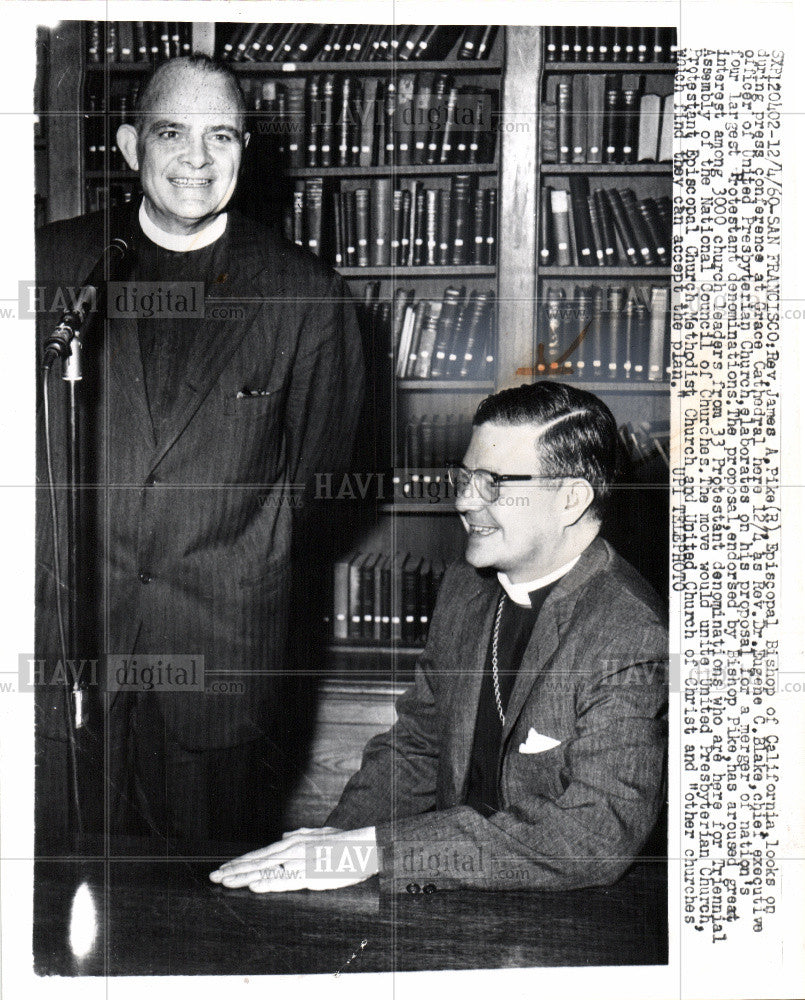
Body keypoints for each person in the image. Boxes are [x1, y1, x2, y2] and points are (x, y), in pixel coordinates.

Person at [35, 55, 364, 849]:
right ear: (128, 146)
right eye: (171, 133)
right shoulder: (46, 266)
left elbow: (319, 481)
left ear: (245, 152)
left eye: (222, 136)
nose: (197, 159)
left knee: (200, 921)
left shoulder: (303, 295)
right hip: (66, 655)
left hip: (218, 671)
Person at [211, 381, 667, 892]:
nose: (465, 500)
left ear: (571, 498)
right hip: (443, 885)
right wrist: (332, 844)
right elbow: (418, 744)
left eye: (493, 482)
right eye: (466, 476)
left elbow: (592, 838)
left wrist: (372, 851)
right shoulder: (465, 586)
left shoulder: (631, 635)